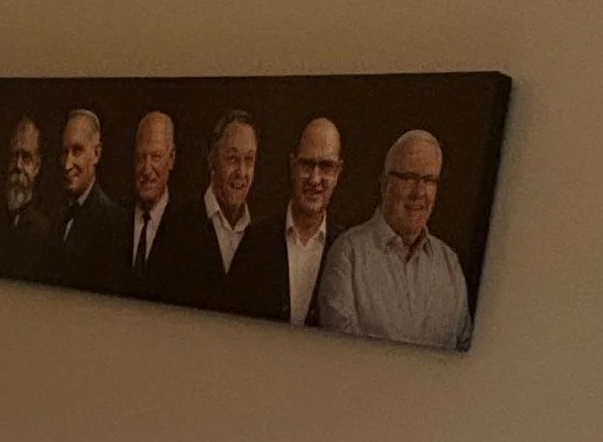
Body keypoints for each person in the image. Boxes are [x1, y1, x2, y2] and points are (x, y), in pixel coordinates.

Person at [317, 127, 472, 350]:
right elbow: (341, 357)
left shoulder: (450, 266)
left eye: (429, 180)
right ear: (384, 184)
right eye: (409, 177)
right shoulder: (348, 255)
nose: (419, 192)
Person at [227, 116, 344, 326]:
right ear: (293, 165)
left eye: (326, 166)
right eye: (307, 164)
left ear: (338, 172)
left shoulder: (346, 249)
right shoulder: (254, 241)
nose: (315, 179)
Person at [173, 109, 259, 307]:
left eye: (249, 160)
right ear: (212, 159)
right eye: (233, 159)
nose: (242, 172)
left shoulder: (263, 237)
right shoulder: (176, 229)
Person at [121, 109, 202, 299]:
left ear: (171, 159)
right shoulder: (114, 221)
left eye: (156, 157)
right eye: (142, 157)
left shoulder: (190, 232)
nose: (147, 170)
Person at [53, 107, 127, 289]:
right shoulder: (58, 218)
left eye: (77, 151)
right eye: (65, 152)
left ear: (96, 154)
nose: (67, 164)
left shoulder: (114, 223)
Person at [0, 113, 58, 282]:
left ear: (37, 166)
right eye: (14, 155)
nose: (18, 165)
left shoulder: (47, 233)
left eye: (26, 157)